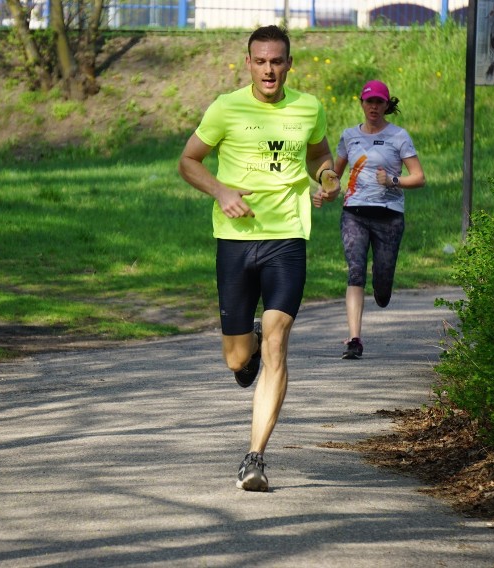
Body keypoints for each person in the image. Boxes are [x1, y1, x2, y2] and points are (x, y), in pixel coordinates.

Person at [178, 25, 341, 492]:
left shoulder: (308, 107)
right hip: (234, 240)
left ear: (289, 64)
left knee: (277, 342)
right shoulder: (226, 108)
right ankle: (243, 341)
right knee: (237, 360)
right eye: (261, 61)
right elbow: (188, 161)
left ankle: (255, 458)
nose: (269, 69)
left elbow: (319, 155)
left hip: (287, 238)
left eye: (277, 61)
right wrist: (220, 190)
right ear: (248, 63)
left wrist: (327, 176)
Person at [313, 80, 425, 360]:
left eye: (379, 102)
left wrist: (393, 180)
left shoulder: (399, 136)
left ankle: (382, 286)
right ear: (361, 104)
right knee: (355, 271)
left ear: (387, 105)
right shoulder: (349, 136)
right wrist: (325, 192)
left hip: (389, 217)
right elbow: (334, 177)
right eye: (369, 101)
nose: (373, 107)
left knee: (382, 286)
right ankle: (354, 339)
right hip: (355, 214)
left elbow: (419, 177)